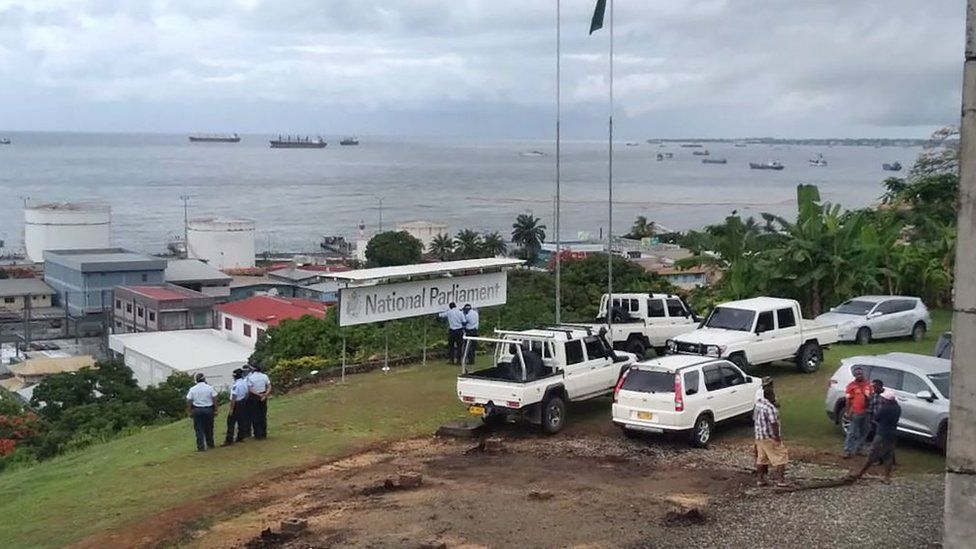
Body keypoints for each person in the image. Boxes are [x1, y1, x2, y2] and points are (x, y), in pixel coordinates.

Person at [851, 389, 902, 483]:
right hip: (892, 434)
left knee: (872, 454)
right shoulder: (898, 408)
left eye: (883, 398)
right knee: (888, 456)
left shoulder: (884, 408)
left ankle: (860, 473)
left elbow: (876, 418)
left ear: (887, 400)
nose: (882, 399)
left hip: (882, 434)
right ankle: (887, 477)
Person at [754, 385, 788, 487]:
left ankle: (760, 479)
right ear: (770, 395)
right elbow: (774, 424)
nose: (775, 396)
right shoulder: (770, 408)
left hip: (759, 437)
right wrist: (777, 438)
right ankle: (780, 480)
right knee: (781, 456)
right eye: (773, 394)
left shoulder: (758, 405)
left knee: (762, 458)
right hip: (769, 437)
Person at [842, 367, 874, 458]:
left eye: (861, 373)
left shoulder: (869, 384)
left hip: (867, 412)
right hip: (856, 412)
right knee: (852, 432)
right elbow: (848, 400)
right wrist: (848, 412)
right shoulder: (851, 386)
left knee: (865, 431)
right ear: (854, 375)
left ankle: (859, 448)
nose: (859, 375)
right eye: (857, 374)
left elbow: (873, 397)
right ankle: (847, 450)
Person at [186, 373, 218, 452]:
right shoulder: (210, 388)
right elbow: (215, 398)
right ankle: (210, 444)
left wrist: (189, 411)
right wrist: (216, 409)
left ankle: (201, 447)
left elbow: (189, 400)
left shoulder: (193, 389)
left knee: (199, 429)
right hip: (208, 409)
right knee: (209, 428)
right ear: (204, 379)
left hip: (197, 410)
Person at [222, 368, 249, 446]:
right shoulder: (244, 383)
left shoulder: (235, 385)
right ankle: (240, 437)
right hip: (243, 402)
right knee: (241, 421)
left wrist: (231, 408)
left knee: (231, 422)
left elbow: (234, 397)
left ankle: (229, 439)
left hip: (236, 403)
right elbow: (247, 393)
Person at [246, 365, 273, 440]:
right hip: (264, 395)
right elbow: (269, 386)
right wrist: (266, 394)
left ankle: (258, 434)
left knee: (255, 415)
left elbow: (250, 389)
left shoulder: (250, 378)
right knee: (263, 415)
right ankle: (264, 433)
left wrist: (258, 395)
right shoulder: (264, 376)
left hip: (255, 396)